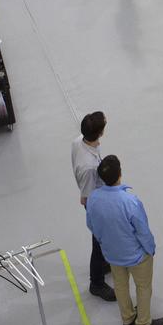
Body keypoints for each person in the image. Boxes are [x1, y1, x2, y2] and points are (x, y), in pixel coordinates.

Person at [85, 155, 163, 325]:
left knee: (120, 285)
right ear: (120, 174)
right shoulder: (130, 202)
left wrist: (104, 242)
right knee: (143, 287)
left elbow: (91, 225)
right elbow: (142, 231)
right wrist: (150, 249)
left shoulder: (93, 199)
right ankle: (143, 324)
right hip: (136, 256)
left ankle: (128, 318)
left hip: (112, 255)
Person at [71, 111, 116, 302]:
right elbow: (87, 198)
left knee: (103, 243)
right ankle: (96, 283)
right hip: (96, 205)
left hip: (98, 197)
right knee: (98, 244)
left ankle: (104, 264)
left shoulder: (79, 140)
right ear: (99, 132)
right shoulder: (89, 168)